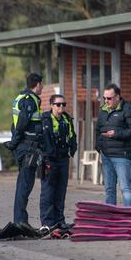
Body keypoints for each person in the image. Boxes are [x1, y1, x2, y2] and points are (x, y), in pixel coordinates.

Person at [6, 73, 44, 229]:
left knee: (23, 183)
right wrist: (15, 142)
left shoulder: (21, 97)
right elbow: (22, 123)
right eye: (42, 84)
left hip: (24, 146)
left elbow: (15, 125)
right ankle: (20, 221)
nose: (42, 87)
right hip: (27, 147)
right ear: (38, 84)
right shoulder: (29, 101)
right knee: (25, 185)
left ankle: (20, 219)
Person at [95, 83, 131, 206]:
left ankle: (129, 218)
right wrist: (98, 146)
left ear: (117, 97)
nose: (106, 101)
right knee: (109, 189)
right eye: (104, 98)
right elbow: (98, 129)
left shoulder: (128, 109)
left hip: (121, 155)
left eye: (109, 98)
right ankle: (110, 219)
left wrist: (116, 134)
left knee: (125, 188)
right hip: (106, 155)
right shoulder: (103, 110)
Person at [40, 94, 77, 229]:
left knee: (61, 192)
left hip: (63, 159)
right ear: (51, 105)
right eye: (58, 104)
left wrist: (73, 149)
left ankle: (59, 221)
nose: (61, 107)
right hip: (49, 159)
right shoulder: (44, 119)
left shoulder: (66, 119)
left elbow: (72, 135)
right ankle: (47, 223)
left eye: (63, 104)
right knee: (48, 192)